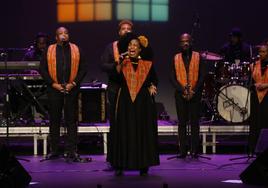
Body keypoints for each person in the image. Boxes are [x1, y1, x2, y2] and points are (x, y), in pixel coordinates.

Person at [108, 32, 159, 176]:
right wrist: (119, 64)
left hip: (143, 102)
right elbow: (114, 77)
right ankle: (120, 164)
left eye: (135, 45)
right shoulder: (123, 62)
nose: (132, 47)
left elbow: (154, 79)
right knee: (124, 130)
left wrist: (152, 85)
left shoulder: (147, 65)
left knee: (142, 131)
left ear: (140, 49)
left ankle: (143, 164)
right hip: (125, 101)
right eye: (130, 44)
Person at [39, 27, 88, 161]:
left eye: (66, 33)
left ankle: (71, 150)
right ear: (56, 37)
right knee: (54, 120)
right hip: (55, 89)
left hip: (71, 89)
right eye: (61, 34)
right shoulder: (49, 50)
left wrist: (73, 83)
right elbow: (42, 69)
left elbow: (83, 68)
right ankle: (54, 150)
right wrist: (53, 84)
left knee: (71, 121)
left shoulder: (76, 49)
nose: (64, 35)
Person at [100, 20, 133, 167]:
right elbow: (103, 65)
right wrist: (117, 63)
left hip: (132, 89)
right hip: (115, 88)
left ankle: (133, 157)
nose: (126, 31)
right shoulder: (111, 47)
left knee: (132, 124)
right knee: (116, 123)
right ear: (119, 32)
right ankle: (115, 159)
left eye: (128, 29)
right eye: (123, 29)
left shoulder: (137, 46)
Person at [170, 33, 206, 158]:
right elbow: (172, 77)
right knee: (182, 123)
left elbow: (202, 76)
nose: (185, 43)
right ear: (180, 44)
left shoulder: (198, 57)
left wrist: (194, 91)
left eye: (187, 41)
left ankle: (195, 150)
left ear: (191, 42)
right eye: (183, 41)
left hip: (194, 94)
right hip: (181, 94)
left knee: (195, 122)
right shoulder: (175, 57)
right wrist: (182, 90)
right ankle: (183, 151)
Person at [248, 43, 268, 155]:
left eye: (264, 52)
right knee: (255, 121)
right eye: (260, 52)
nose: (261, 54)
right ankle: (253, 148)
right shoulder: (254, 65)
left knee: (265, 120)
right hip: (256, 95)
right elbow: (251, 81)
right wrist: (255, 85)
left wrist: (266, 85)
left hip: (267, 96)